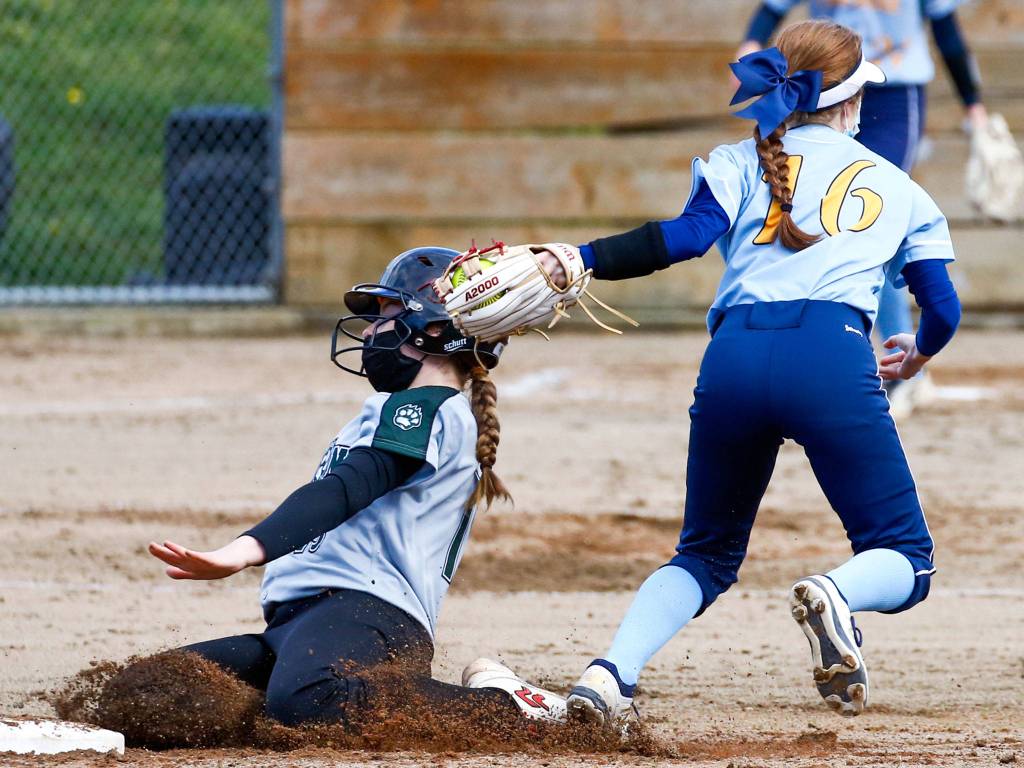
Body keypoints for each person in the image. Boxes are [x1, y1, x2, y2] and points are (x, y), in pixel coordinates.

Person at [515, 20, 961, 724]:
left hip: (733, 358)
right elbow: (942, 308)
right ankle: (837, 593)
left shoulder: (740, 159)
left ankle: (608, 676)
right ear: (851, 103)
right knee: (906, 555)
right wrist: (920, 354)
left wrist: (581, 256)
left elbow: (680, 239)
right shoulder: (900, 186)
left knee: (705, 553)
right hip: (831, 355)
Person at [147, 247, 567, 730]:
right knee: (154, 689)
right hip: (299, 625)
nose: (369, 331)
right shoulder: (401, 410)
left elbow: (348, 487)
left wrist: (243, 551)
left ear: (433, 329)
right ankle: (291, 707)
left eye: (386, 313)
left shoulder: (430, 408)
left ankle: (514, 710)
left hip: (371, 617)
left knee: (306, 698)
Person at [736, 0, 985, 416]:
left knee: (873, 221)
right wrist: (751, 42)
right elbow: (771, 9)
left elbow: (947, 30)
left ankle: (901, 371)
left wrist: (973, 104)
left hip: (894, 94)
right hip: (822, 88)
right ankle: (843, 357)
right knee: (827, 218)